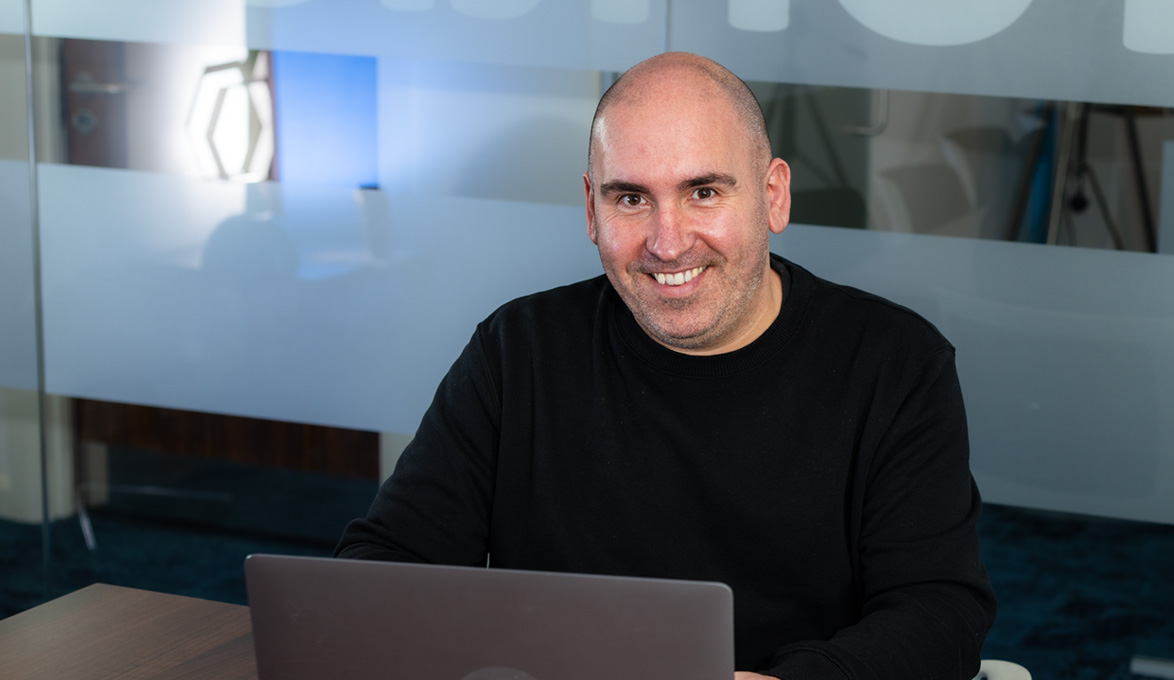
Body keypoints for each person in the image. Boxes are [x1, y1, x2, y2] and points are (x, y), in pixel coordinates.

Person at [336, 51, 996, 679]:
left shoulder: (896, 364)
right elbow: (388, 564)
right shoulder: (517, 351)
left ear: (774, 196)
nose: (667, 242)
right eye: (631, 199)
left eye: (703, 192)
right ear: (592, 209)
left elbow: (939, 611)